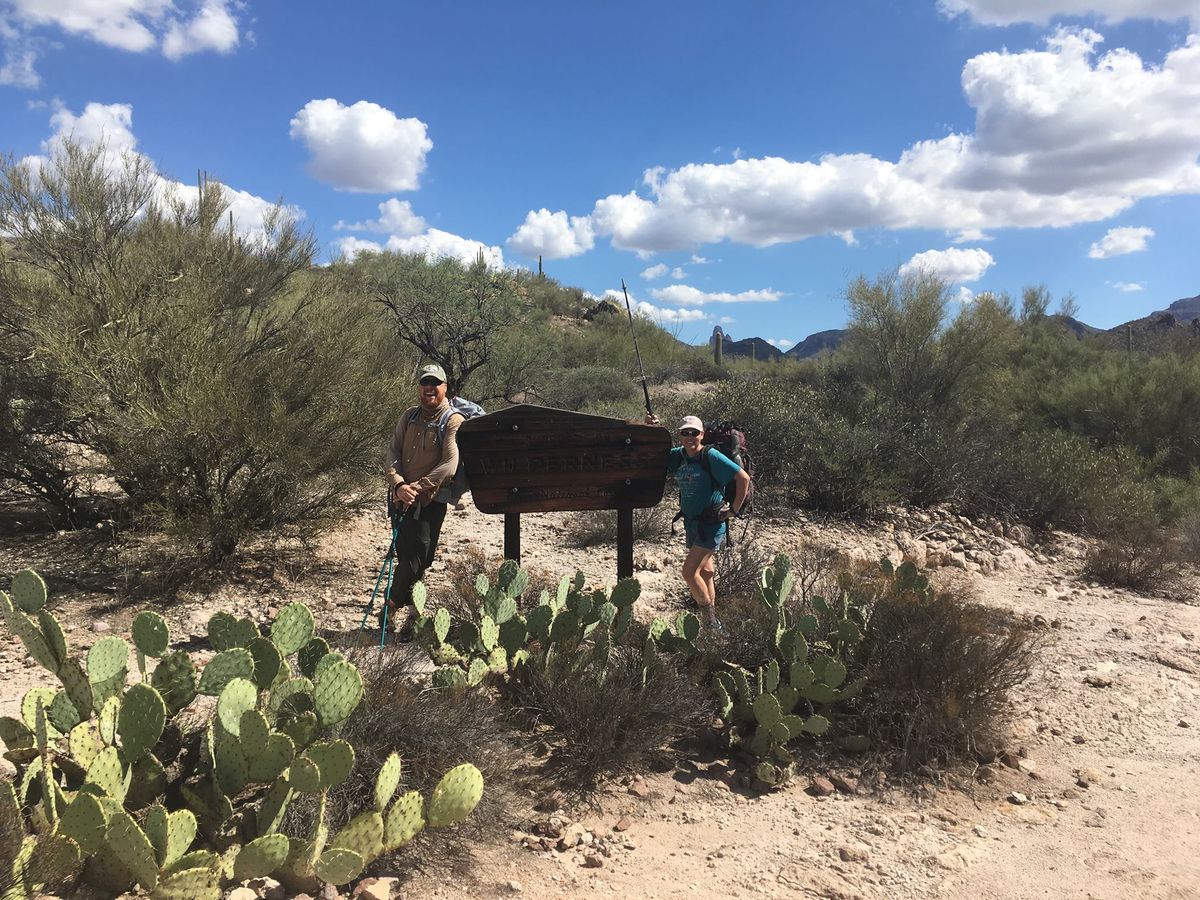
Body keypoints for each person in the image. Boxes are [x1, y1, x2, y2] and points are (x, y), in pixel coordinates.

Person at [383, 363, 463, 638]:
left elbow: (450, 464)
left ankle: (393, 604)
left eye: (435, 383)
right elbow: (393, 451)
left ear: (445, 387)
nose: (429, 388)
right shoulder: (409, 416)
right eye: (425, 383)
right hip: (399, 499)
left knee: (421, 559)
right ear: (420, 387)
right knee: (407, 557)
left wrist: (416, 487)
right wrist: (399, 485)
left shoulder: (452, 420)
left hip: (430, 502)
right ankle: (407, 615)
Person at [649, 414, 750, 628]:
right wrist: (653, 428)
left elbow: (743, 478)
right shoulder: (679, 456)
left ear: (701, 435)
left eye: (694, 433)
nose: (689, 437)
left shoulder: (710, 455)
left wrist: (733, 510)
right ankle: (712, 624)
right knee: (705, 572)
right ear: (680, 435)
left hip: (711, 523)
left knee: (688, 572)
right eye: (685, 433)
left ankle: (711, 624)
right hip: (692, 523)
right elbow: (654, 452)